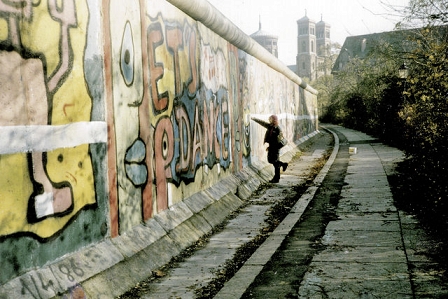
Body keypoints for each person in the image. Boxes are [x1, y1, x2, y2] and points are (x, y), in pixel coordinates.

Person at [252, 115, 288, 183]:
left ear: (274, 120)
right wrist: (254, 119)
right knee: (272, 161)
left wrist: (273, 147)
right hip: (272, 147)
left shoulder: (278, 129)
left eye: (271, 119)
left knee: (275, 162)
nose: (270, 120)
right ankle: (282, 166)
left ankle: (277, 177)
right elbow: (262, 123)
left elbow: (279, 139)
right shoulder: (270, 126)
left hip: (275, 147)